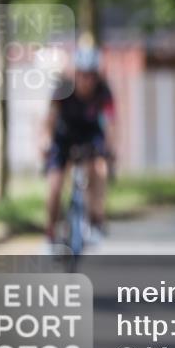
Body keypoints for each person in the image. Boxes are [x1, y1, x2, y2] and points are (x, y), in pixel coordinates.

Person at [41, 46, 115, 249]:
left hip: (90, 136)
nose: (87, 80)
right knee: (55, 185)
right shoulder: (62, 87)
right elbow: (50, 118)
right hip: (63, 136)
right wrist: (46, 140)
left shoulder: (103, 91)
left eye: (91, 76)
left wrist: (110, 148)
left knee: (100, 170)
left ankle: (96, 219)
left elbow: (110, 123)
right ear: (76, 73)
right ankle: (50, 233)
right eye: (83, 75)